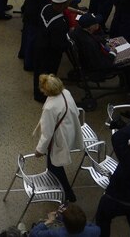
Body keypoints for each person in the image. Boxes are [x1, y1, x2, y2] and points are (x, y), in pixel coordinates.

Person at [34, 74, 84, 204]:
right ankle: (56, 184)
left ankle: (67, 193)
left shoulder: (49, 108)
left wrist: (39, 150)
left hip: (59, 138)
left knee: (55, 164)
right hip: (70, 130)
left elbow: (47, 133)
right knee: (53, 163)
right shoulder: (66, 93)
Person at [33, 0, 73, 102]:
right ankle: (44, 95)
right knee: (49, 74)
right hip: (50, 53)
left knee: (39, 72)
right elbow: (58, 44)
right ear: (61, 6)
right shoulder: (60, 23)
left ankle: (38, 93)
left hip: (38, 44)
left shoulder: (45, 8)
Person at [29, 204, 99, 237]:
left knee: (40, 222)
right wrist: (65, 217)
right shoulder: (95, 231)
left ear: (65, 224)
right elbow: (88, 224)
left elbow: (34, 234)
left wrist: (48, 221)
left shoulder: (57, 234)